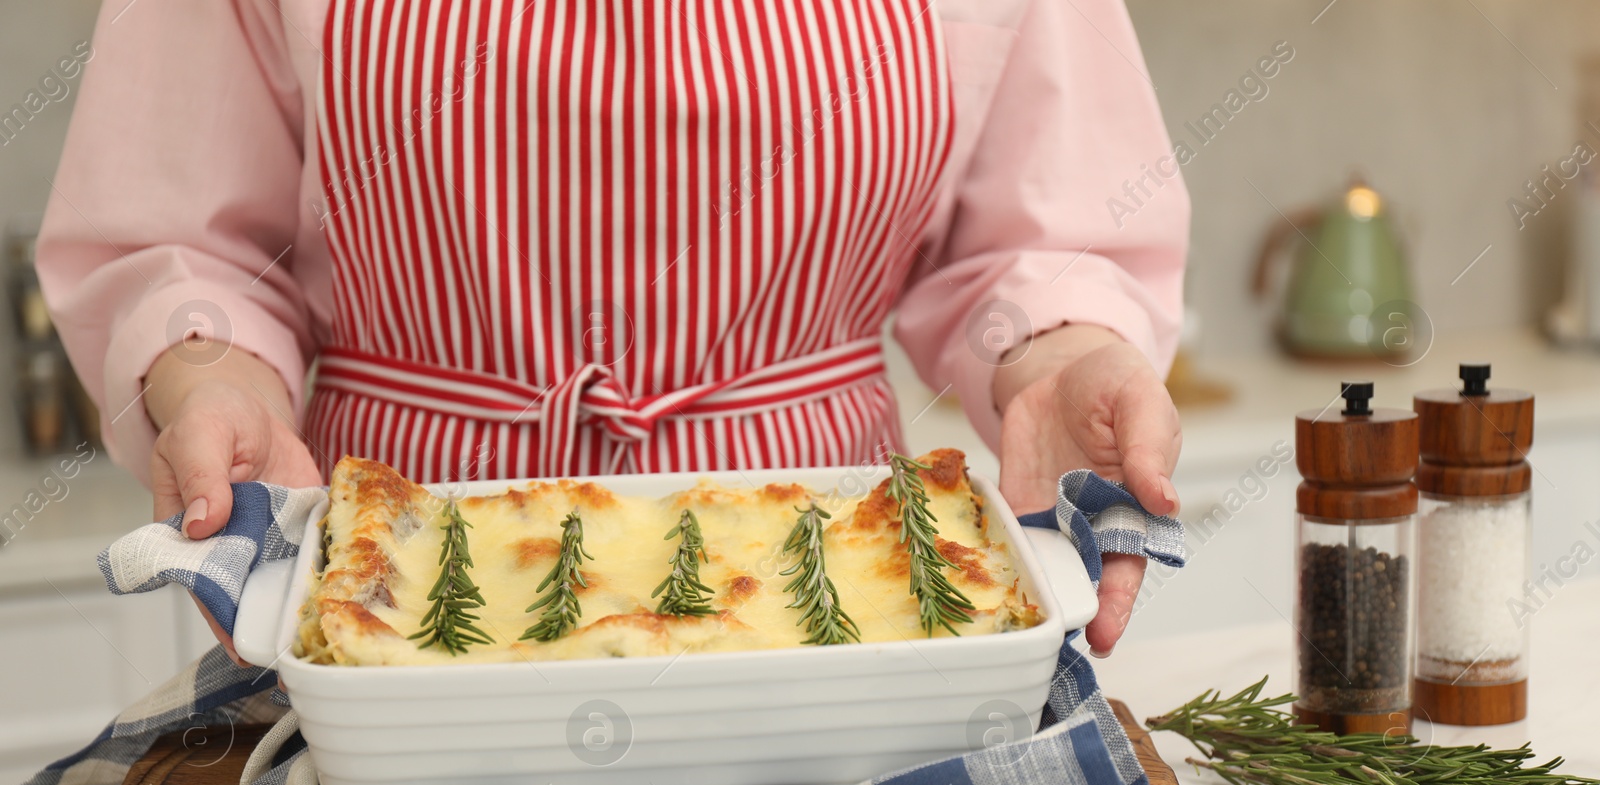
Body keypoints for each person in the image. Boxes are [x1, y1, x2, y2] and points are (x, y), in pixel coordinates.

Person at [39, 0, 1188, 657]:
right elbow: (194, 246)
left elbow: (1023, 253)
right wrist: (205, 375)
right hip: (388, 591)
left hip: (845, 600)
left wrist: (1069, 351)